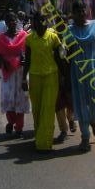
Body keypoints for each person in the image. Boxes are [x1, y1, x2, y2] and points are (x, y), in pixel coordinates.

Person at [65, 2, 95, 152]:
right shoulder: (69, 31)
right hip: (77, 71)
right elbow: (67, 55)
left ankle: (93, 121)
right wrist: (66, 77)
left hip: (94, 69)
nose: (82, 13)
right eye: (78, 11)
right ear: (73, 13)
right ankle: (85, 137)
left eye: (83, 9)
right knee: (81, 103)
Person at [23, 12, 63, 152]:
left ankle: (44, 142)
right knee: (37, 109)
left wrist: (63, 77)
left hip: (51, 76)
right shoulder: (29, 39)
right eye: (37, 20)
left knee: (48, 108)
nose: (40, 23)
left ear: (46, 21)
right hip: (34, 77)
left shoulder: (53, 37)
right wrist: (23, 78)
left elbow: (59, 59)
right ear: (33, 22)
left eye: (42, 20)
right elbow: (27, 60)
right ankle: (39, 135)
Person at [0, 12, 29, 137]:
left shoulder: (24, 36)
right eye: (9, 20)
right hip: (8, 73)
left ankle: (19, 127)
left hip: (21, 72)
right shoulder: (2, 38)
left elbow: (29, 53)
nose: (12, 22)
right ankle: (11, 121)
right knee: (8, 99)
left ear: (17, 21)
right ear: (6, 23)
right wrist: (4, 61)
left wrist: (24, 60)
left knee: (21, 99)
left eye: (13, 20)